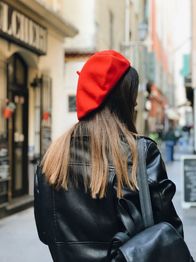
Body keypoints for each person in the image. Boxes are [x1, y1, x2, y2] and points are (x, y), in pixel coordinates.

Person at [34, 50, 183, 261]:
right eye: (132, 98)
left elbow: (46, 234)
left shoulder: (51, 159)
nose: (135, 105)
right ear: (123, 101)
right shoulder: (139, 153)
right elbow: (169, 234)